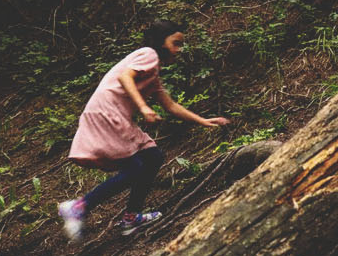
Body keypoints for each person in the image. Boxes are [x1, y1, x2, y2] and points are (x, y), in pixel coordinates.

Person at [57, 20, 229, 240]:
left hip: (113, 114)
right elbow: (125, 77)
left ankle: (131, 217)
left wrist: (203, 121)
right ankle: (79, 206)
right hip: (108, 112)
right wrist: (143, 107)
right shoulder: (149, 54)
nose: (178, 49)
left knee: (153, 157)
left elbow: (171, 106)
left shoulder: (153, 73)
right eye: (175, 43)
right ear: (161, 42)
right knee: (135, 168)